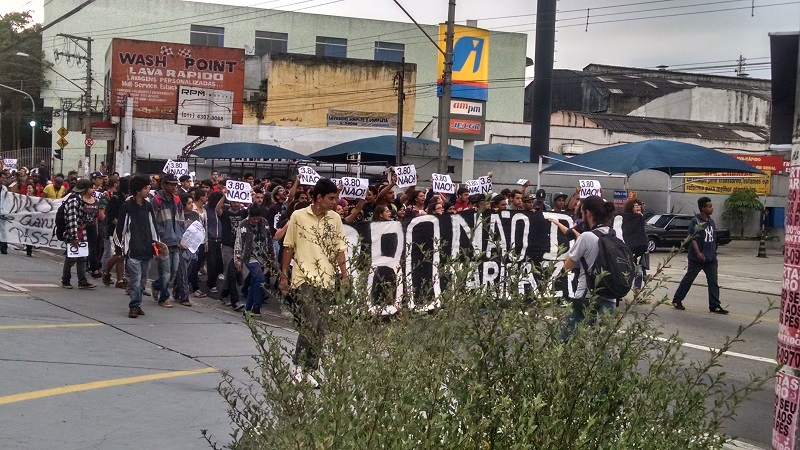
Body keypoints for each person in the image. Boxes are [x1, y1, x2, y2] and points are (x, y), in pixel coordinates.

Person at [280, 179, 348, 387]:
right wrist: (284, 275)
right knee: (311, 321)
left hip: (326, 280)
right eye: (331, 198)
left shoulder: (335, 219)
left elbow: (340, 249)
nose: (335, 202)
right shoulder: (298, 216)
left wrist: (344, 275)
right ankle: (297, 367)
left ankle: (309, 369)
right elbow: (288, 246)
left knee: (320, 328)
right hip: (303, 278)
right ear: (319, 198)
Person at [559, 196, 617, 341]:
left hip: (585, 297)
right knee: (603, 346)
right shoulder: (613, 235)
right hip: (610, 296)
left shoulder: (587, 237)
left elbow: (567, 267)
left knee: (566, 339)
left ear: (589, 214)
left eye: (582, 212)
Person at [671, 197, 728, 314]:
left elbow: (712, 238)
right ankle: (677, 300)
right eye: (709, 206)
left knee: (713, 282)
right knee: (689, 279)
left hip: (711, 258)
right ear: (703, 208)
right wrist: (698, 252)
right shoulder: (695, 221)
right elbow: (693, 238)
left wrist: (713, 252)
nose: (712, 208)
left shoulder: (711, 221)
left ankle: (715, 305)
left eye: (711, 206)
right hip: (697, 258)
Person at [116, 175, 160, 318]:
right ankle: (133, 306)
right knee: (135, 280)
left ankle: (138, 303)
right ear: (138, 189)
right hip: (133, 249)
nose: (149, 190)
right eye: (146, 187)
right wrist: (120, 248)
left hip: (146, 249)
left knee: (142, 281)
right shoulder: (127, 206)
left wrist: (156, 244)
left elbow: (153, 225)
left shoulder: (147, 206)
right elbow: (120, 229)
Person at [150, 173, 185, 307]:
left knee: (173, 271)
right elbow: (152, 220)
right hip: (162, 242)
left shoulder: (177, 200)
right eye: (171, 184)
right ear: (164, 184)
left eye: (175, 184)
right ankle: (164, 297)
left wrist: (179, 234)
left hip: (175, 240)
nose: (174, 187)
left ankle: (156, 285)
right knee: (165, 272)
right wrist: (159, 236)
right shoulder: (156, 200)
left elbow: (181, 218)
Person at [234, 205, 274, 316]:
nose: (256, 220)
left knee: (254, 282)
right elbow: (239, 241)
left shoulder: (264, 222)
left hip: (262, 256)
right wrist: (238, 259)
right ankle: (256, 307)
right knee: (260, 278)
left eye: (258, 218)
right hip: (249, 256)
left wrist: (272, 256)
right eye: (254, 218)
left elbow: (269, 239)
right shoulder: (243, 224)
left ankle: (247, 309)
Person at [61, 179, 97, 289]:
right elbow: (72, 220)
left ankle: (82, 280)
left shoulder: (79, 200)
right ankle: (66, 279)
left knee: (82, 257)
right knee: (71, 258)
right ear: (85, 189)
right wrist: (74, 237)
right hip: (74, 233)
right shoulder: (73, 201)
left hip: (81, 232)